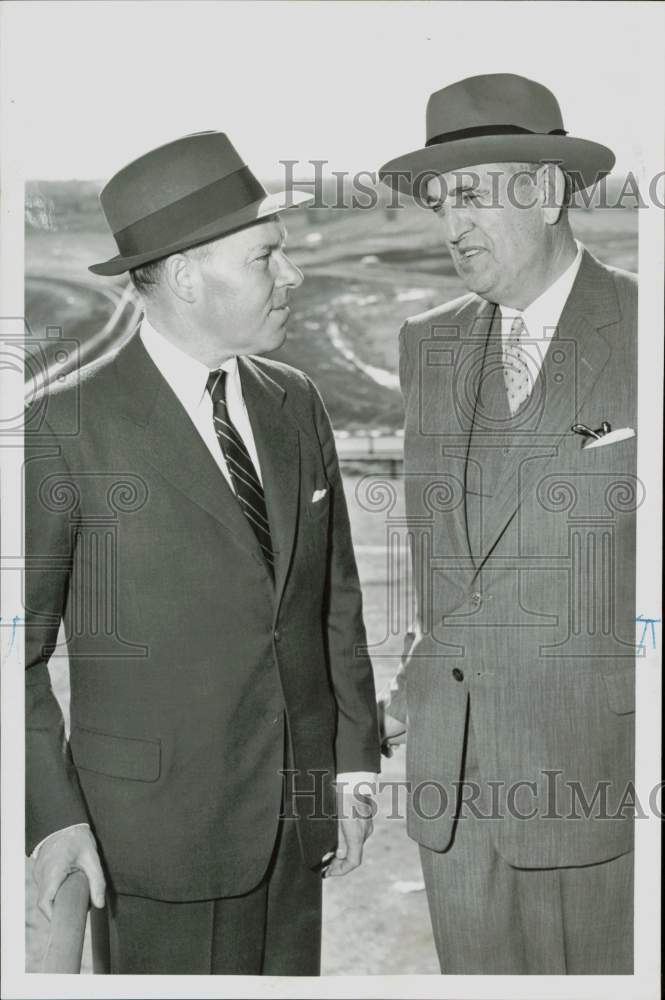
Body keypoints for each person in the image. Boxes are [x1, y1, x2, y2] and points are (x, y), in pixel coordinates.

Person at [25, 131, 380, 975]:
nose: (291, 275)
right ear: (187, 274)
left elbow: (334, 605)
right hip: (153, 848)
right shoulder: (63, 429)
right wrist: (51, 816)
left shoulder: (296, 404)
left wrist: (352, 771)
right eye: (266, 257)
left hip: (297, 838)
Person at [378, 74, 637, 974]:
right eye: (440, 202)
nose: (452, 225)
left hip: (604, 789)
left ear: (551, 191)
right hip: (454, 810)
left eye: (473, 195)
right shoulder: (427, 343)